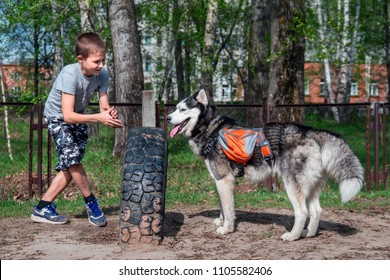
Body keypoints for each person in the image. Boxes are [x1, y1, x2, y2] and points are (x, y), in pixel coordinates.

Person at [31, 32, 123, 227]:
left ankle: (42, 207)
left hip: (78, 116)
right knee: (72, 160)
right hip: (58, 117)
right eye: (97, 61)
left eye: (103, 60)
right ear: (80, 59)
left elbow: (103, 104)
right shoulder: (69, 74)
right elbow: (67, 116)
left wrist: (108, 114)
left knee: (71, 164)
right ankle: (91, 202)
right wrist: (98, 118)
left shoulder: (102, 74)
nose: (101, 65)